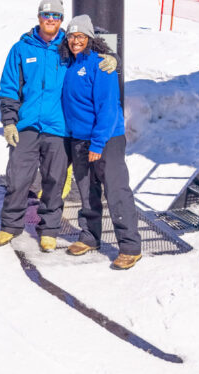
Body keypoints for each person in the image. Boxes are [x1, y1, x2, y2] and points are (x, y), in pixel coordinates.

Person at [0, 0, 118, 252]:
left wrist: (115, 58)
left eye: (57, 16)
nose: (51, 20)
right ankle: (10, 226)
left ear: (62, 20)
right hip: (26, 125)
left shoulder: (69, 45)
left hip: (59, 128)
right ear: (39, 17)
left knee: (54, 180)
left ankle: (48, 229)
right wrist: (9, 122)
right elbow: (9, 87)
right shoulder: (22, 48)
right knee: (17, 177)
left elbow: (99, 45)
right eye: (47, 15)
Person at [60, 14, 142, 270]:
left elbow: (107, 108)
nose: (76, 41)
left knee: (116, 191)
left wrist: (97, 144)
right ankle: (90, 236)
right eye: (72, 36)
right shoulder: (67, 64)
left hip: (106, 139)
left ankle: (129, 246)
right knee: (86, 190)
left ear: (90, 38)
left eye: (81, 36)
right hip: (79, 139)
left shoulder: (101, 65)